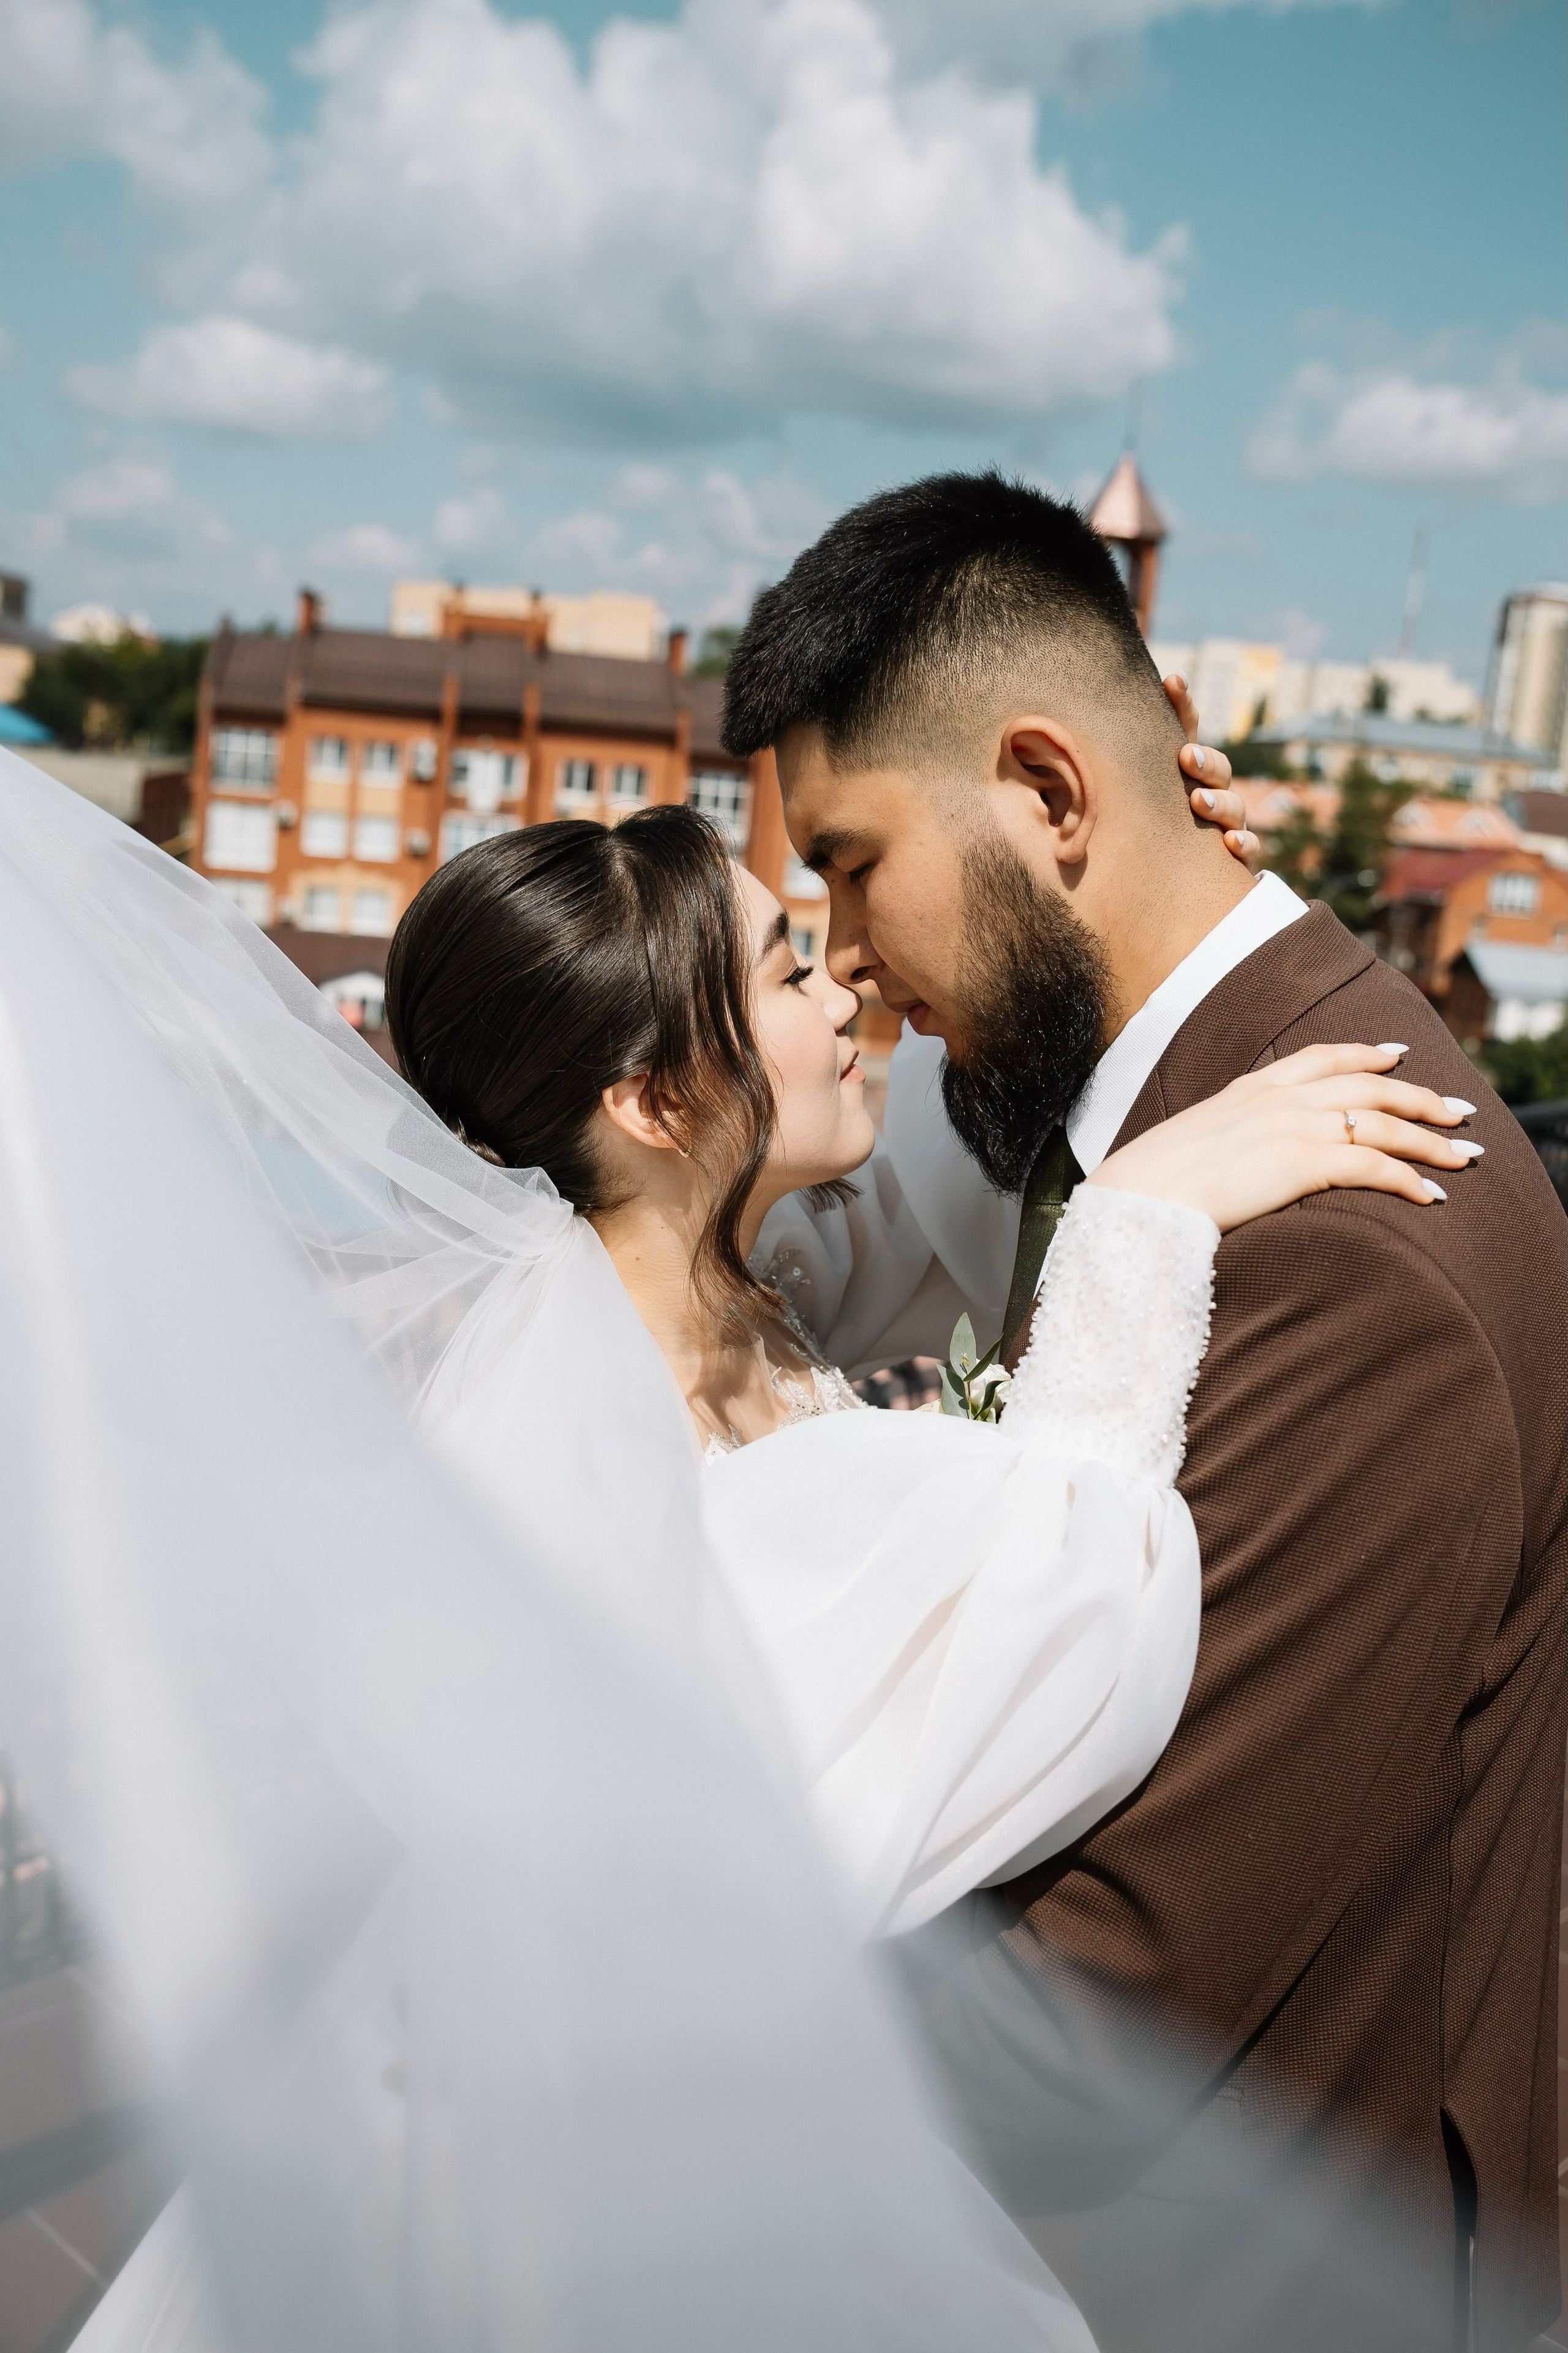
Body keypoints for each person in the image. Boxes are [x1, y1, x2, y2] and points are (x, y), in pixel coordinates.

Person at [718, 469, 1568, 2352]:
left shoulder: (1348, 1256)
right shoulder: (1113, 1103)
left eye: (853, 862)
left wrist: (625, 2029)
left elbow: (1104, 2004)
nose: (842, 954)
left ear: (1045, 792)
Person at [383, 803, 1468, 1937]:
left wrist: (1121, 868)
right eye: (790, 976)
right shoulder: (599, 1471)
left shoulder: (757, 1280)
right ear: (657, 1102)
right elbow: (1030, 1671)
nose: (841, 994)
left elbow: (946, 1196)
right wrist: (1142, 1221)